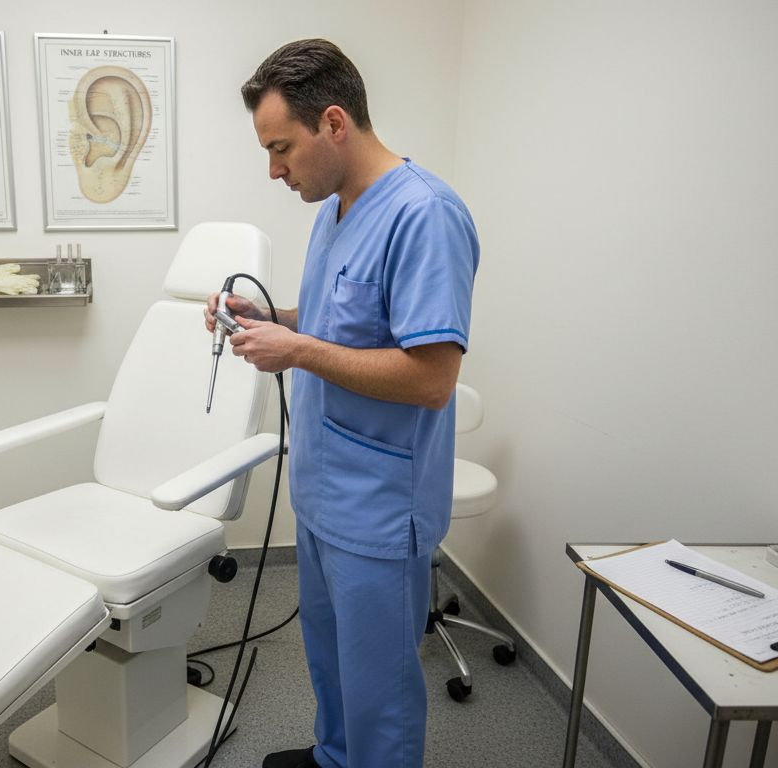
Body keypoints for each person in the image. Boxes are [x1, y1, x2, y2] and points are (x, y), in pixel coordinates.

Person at [206, 39, 480, 768]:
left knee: (380, 693)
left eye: (281, 148)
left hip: (381, 508)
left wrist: (293, 352)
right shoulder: (336, 208)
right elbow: (342, 328)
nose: (274, 170)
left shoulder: (424, 216)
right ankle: (334, 758)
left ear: (333, 123)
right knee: (329, 665)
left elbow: (430, 379)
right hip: (325, 494)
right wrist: (270, 319)